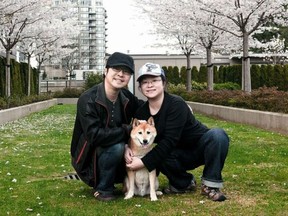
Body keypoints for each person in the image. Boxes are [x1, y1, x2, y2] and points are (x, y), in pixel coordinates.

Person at [125, 63, 230, 202]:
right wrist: (126, 147)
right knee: (160, 154)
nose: (150, 85)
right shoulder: (142, 113)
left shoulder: (176, 104)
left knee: (218, 135)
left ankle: (210, 185)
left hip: (200, 147)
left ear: (163, 83)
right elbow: (137, 135)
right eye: (145, 82)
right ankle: (184, 183)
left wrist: (143, 162)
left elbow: (170, 140)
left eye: (155, 80)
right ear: (140, 88)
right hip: (175, 154)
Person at [70, 52, 143, 201]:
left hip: (114, 149)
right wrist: (127, 132)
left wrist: (173, 105)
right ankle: (103, 188)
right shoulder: (88, 99)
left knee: (145, 139)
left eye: (126, 72)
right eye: (116, 69)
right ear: (106, 71)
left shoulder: (126, 96)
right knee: (116, 147)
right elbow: (94, 136)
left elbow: (146, 109)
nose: (121, 74)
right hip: (88, 157)